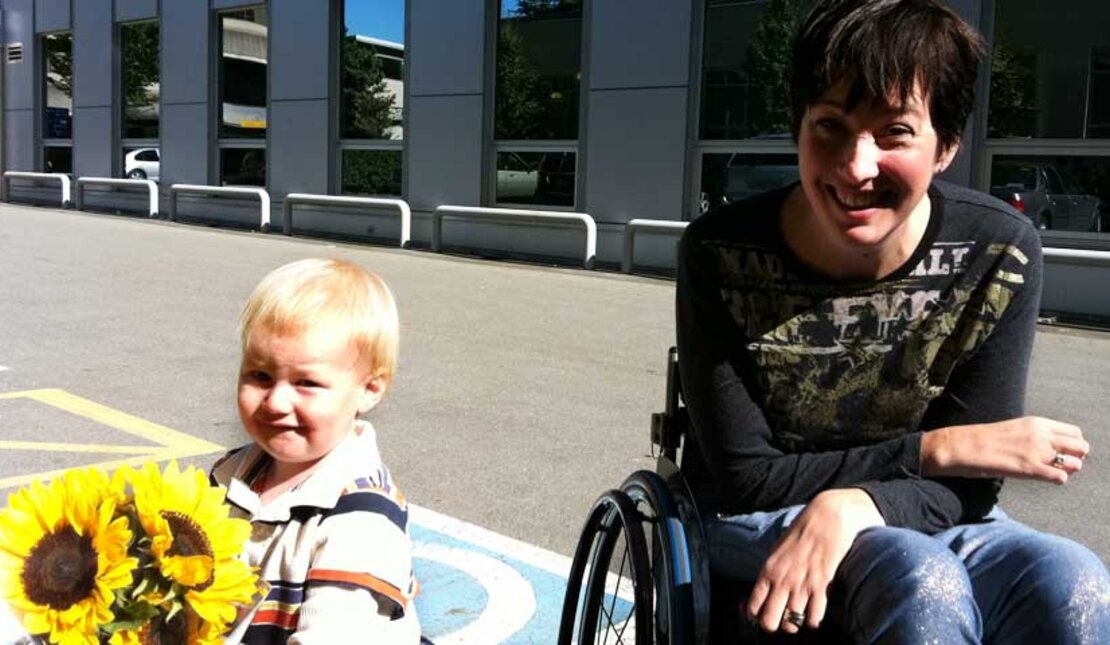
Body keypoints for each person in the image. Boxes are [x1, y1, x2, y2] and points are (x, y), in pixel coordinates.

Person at [676, 0, 1110, 642]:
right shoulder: (720, 253)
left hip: (930, 510)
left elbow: (973, 490)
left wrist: (858, 503)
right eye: (830, 125)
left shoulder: (997, 251)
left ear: (947, 147)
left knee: (1075, 580)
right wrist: (940, 448)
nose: (856, 166)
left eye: (895, 133)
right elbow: (745, 479)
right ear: (797, 125)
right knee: (915, 574)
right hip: (751, 516)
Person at [211, 258, 420, 643]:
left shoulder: (362, 522)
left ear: (370, 389)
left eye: (306, 382)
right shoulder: (230, 474)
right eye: (260, 376)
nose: (275, 402)